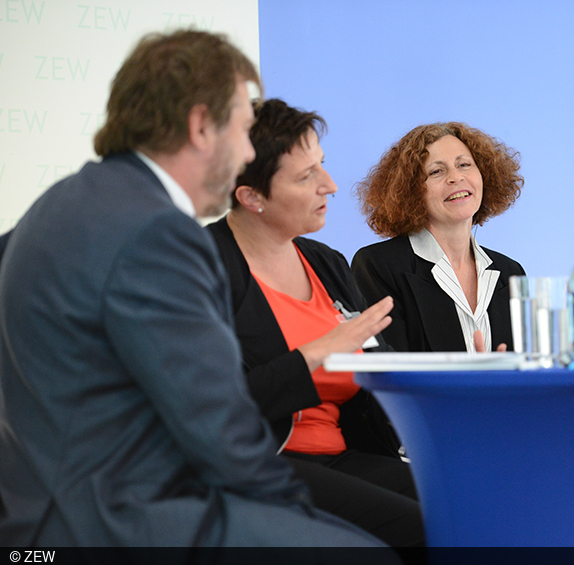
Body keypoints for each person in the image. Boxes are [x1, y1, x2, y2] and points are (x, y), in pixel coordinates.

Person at [0, 30, 398, 555]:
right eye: (242, 128)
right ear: (201, 126)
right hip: (117, 516)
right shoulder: (158, 231)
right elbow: (219, 426)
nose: (247, 150)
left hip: (46, 511)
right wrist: (308, 518)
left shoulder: (63, 202)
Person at [205, 99, 424, 547]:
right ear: (251, 197)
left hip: (345, 454)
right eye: (307, 177)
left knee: (474, 501)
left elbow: (375, 376)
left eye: (322, 165)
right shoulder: (202, 267)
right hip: (262, 464)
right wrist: (317, 353)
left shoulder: (326, 262)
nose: (331, 185)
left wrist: (468, 372)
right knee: (422, 530)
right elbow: (213, 411)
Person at [351, 122, 525, 353]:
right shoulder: (378, 266)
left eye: (464, 165)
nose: (456, 177)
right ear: (410, 191)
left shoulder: (510, 273)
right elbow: (388, 372)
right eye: (436, 171)